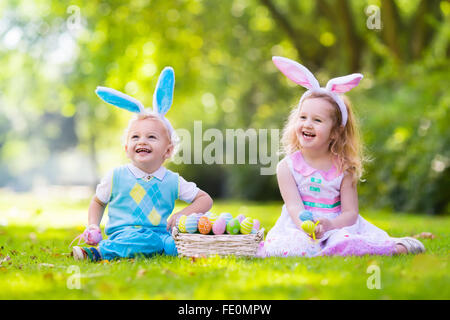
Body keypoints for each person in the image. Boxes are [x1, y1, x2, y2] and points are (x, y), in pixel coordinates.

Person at [258, 57, 425, 257]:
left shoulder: (344, 168)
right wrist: (306, 226)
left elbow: (350, 214)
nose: (307, 124)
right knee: (292, 247)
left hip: (337, 227)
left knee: (346, 243)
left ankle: (398, 247)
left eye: (317, 120)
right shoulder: (287, 167)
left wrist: (330, 225)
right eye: (303, 117)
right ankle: (325, 249)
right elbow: (294, 207)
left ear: (336, 132)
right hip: (300, 227)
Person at [71, 67, 213, 261]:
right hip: (127, 235)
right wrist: (93, 225)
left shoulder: (172, 180)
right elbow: (98, 201)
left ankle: (195, 253)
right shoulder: (116, 177)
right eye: (135, 137)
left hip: (162, 236)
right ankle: (99, 252)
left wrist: (183, 214)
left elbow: (205, 199)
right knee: (144, 242)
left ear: (168, 150)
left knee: (178, 242)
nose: (142, 141)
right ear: (127, 147)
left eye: (151, 137)